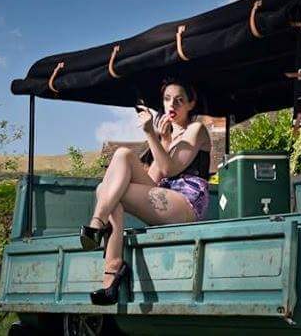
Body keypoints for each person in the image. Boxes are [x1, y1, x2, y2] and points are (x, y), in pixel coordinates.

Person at [79, 77, 211, 305]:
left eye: (179, 100)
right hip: (165, 196)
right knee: (119, 161)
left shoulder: (196, 130)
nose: (172, 105)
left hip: (187, 202)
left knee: (109, 192)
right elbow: (153, 180)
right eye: (167, 99)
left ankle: (98, 230)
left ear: (191, 103)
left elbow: (170, 169)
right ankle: (111, 266)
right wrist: (163, 140)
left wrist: (150, 133)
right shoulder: (167, 135)